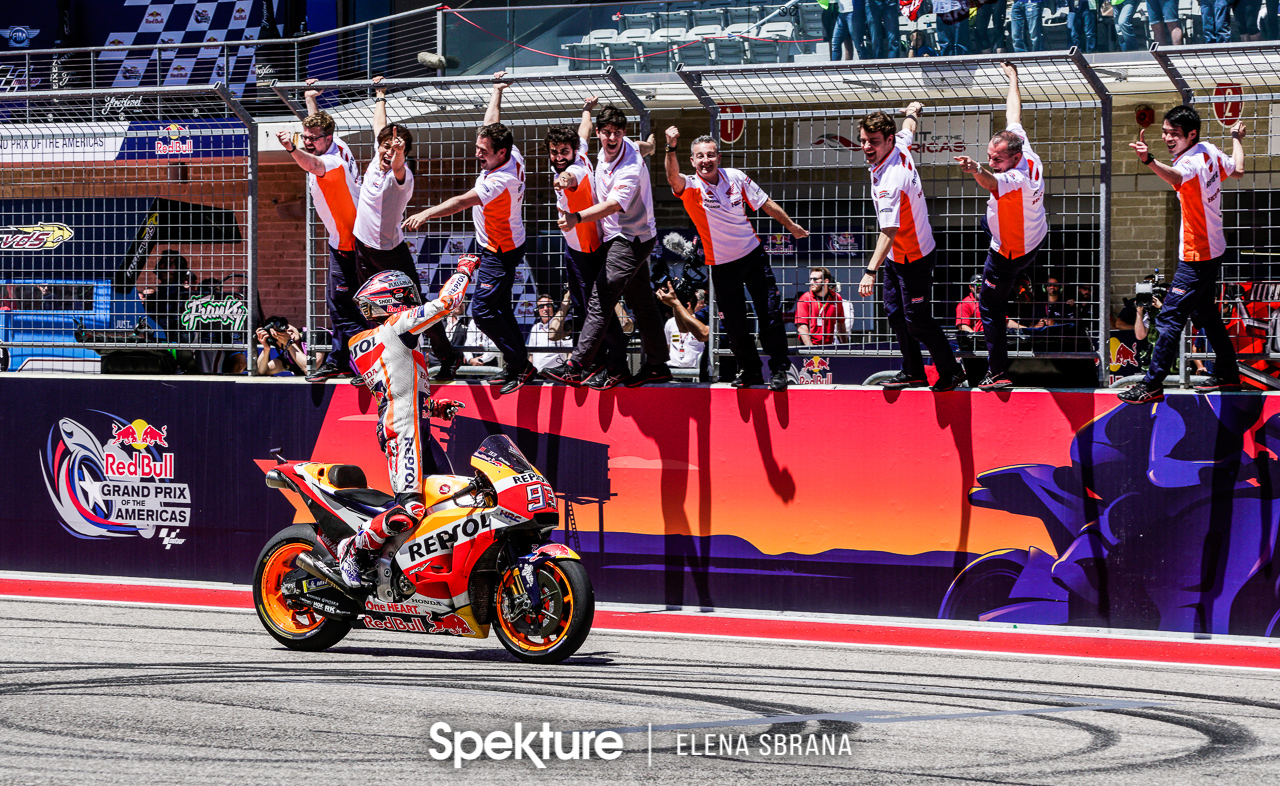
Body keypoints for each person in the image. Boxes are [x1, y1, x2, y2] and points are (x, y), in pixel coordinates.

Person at [335, 260, 474, 589]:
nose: (413, 300)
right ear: (392, 299)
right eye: (408, 295)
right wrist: (464, 270)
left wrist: (433, 407)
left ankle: (407, 566)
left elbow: (397, 388)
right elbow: (448, 303)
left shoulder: (374, 340)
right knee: (410, 509)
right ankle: (354, 550)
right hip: (405, 430)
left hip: (411, 424)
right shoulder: (396, 326)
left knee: (449, 501)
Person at [403, 72, 533, 396]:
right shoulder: (507, 153)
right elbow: (492, 124)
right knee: (498, 308)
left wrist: (425, 213)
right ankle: (518, 364)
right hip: (495, 241)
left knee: (485, 312)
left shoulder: (499, 180)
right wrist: (496, 92)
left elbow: (460, 202)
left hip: (499, 249)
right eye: (478, 148)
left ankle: (519, 364)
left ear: (500, 154)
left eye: (483, 151)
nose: (478, 154)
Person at [663, 127, 807, 390]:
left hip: (753, 257)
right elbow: (673, 178)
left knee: (770, 314)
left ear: (719, 157)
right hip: (721, 266)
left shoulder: (735, 177)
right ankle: (750, 371)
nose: (705, 160)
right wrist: (671, 148)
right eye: (699, 156)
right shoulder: (691, 185)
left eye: (710, 155)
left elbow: (765, 203)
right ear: (692, 161)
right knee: (735, 323)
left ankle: (779, 371)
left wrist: (792, 226)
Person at [1119, 108, 1246, 404]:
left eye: (1173, 134)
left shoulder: (1189, 163)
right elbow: (1237, 169)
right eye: (1164, 132)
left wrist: (1149, 160)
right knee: (1207, 314)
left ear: (1191, 134)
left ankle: (1152, 385)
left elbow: (1175, 175)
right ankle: (1227, 374)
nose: (1166, 138)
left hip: (1198, 253)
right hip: (1214, 248)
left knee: (1169, 318)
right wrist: (1237, 138)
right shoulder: (1210, 151)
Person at [548, 105, 672, 388]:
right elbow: (638, 145)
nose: (612, 139)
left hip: (630, 238)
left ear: (623, 132)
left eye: (617, 133)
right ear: (601, 133)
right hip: (618, 235)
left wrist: (576, 217)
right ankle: (657, 365)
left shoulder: (629, 168)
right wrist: (652, 146)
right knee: (642, 301)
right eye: (606, 133)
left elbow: (613, 205)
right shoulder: (621, 145)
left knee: (601, 295)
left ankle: (577, 364)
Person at [857, 103, 966, 392]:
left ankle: (952, 370)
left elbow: (888, 231)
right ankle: (913, 371)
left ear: (887, 141)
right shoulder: (898, 145)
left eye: (874, 142)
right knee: (894, 314)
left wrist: (870, 271)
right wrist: (912, 112)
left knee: (917, 321)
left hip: (914, 255)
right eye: (864, 140)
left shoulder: (892, 180)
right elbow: (908, 129)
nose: (867, 146)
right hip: (897, 255)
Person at [953, 63, 1047, 391]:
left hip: (1010, 251)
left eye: (997, 158)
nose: (993, 160)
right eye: (990, 155)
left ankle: (998, 372)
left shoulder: (1014, 178)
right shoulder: (1022, 146)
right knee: (986, 220)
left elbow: (989, 180)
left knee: (990, 306)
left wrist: (977, 167)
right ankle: (1014, 276)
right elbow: (1014, 114)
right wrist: (1013, 79)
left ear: (1014, 158)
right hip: (1035, 235)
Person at [275, 82, 363, 382]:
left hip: (352, 244)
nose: (308, 141)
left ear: (327, 138)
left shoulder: (331, 161)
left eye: (313, 138)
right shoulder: (335, 142)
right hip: (344, 241)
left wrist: (290, 147)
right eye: (305, 137)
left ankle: (367, 360)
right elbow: (316, 132)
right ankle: (340, 360)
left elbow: (310, 162)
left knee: (343, 307)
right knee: (342, 305)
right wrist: (310, 101)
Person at [656, 283, 708, 371]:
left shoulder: (702, 322)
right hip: (673, 368)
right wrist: (674, 304)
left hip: (695, 369)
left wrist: (676, 304)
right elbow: (668, 346)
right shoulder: (670, 322)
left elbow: (703, 335)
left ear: (688, 305)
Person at [796, 266, 848, 347]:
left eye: (815, 279)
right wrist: (811, 348)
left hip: (828, 346)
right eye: (810, 279)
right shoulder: (805, 298)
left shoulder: (836, 298)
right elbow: (801, 327)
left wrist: (846, 346)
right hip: (808, 346)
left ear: (826, 281)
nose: (811, 282)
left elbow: (840, 323)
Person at [527, 293, 573, 373]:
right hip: (537, 376)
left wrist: (567, 371)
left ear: (553, 308)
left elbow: (571, 351)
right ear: (537, 310)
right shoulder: (535, 328)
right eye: (541, 306)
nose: (545, 309)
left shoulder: (561, 326)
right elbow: (532, 355)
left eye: (548, 305)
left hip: (555, 377)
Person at [956, 274, 982, 340]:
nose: (980, 287)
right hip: (978, 341)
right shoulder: (965, 304)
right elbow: (962, 326)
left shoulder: (992, 301)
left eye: (982, 284)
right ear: (970, 287)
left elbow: (1006, 321)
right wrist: (978, 338)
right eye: (976, 284)